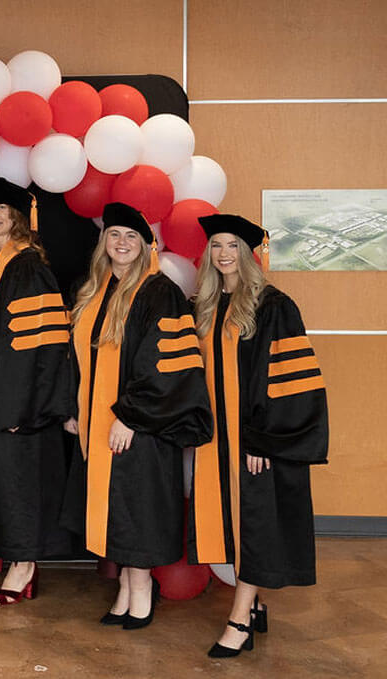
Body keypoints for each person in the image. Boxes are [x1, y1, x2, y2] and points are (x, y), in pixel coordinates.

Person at [61, 202, 212, 630]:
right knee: (117, 510)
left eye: (132, 236)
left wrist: (132, 416)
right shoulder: (95, 289)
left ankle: (141, 591)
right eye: (114, 235)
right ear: (103, 243)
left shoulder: (158, 291)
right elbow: (75, 358)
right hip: (98, 423)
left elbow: (164, 362)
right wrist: (74, 410)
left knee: (136, 508)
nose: (122, 243)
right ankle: (126, 589)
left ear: (148, 246)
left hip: (139, 426)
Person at [189, 214, 328, 657]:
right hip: (218, 443)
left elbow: (287, 381)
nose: (225, 254)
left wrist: (264, 440)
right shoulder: (208, 304)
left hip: (253, 443)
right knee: (234, 525)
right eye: (217, 246)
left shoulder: (273, 306)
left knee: (252, 526)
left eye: (233, 246)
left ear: (249, 255)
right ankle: (256, 605)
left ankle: (239, 618)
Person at [0, 178, 74, 606]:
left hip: (19, 403)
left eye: (1, 209)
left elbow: (40, 341)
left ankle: (24, 567)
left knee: (20, 484)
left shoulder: (25, 265)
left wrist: (21, 407)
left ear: (18, 218)